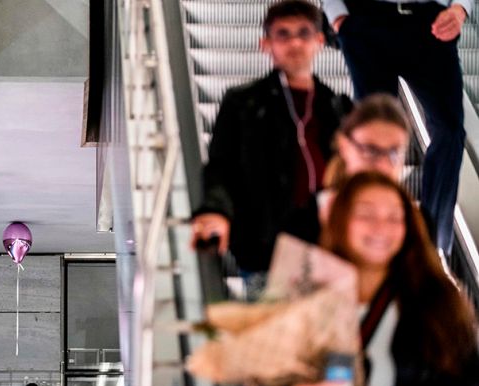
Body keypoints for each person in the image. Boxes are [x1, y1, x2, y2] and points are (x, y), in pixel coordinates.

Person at [191, 0, 351, 300]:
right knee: (275, 343)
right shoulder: (243, 103)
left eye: (304, 33)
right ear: (266, 44)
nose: (294, 42)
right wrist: (215, 211)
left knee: (328, 345)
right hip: (268, 249)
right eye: (283, 34)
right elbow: (221, 168)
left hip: (328, 249)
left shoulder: (337, 107)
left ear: (319, 41)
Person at [284, 172, 479, 386]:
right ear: (340, 219)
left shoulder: (435, 297)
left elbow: (472, 384)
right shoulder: (300, 290)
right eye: (366, 214)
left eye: (395, 217)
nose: (381, 227)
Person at [322, 0, 473, 256]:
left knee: (450, 129)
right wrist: (339, 18)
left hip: (432, 23)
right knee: (372, 134)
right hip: (368, 19)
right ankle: (370, 232)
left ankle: (433, 246)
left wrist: (461, 9)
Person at [285, 93, 412, 244]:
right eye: (370, 151)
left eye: (394, 153)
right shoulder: (307, 219)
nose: (383, 164)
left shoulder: (414, 222)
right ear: (344, 146)